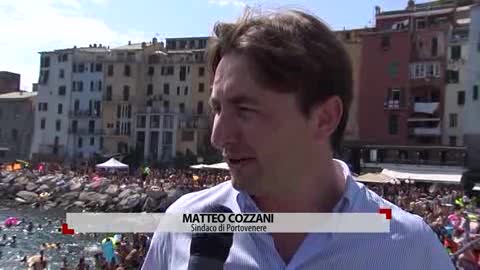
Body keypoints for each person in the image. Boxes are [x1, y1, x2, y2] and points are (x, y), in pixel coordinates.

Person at [142, 7, 454, 270]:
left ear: (324, 117)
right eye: (218, 109)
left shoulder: (411, 250)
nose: (217, 136)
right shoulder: (181, 226)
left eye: (245, 109)